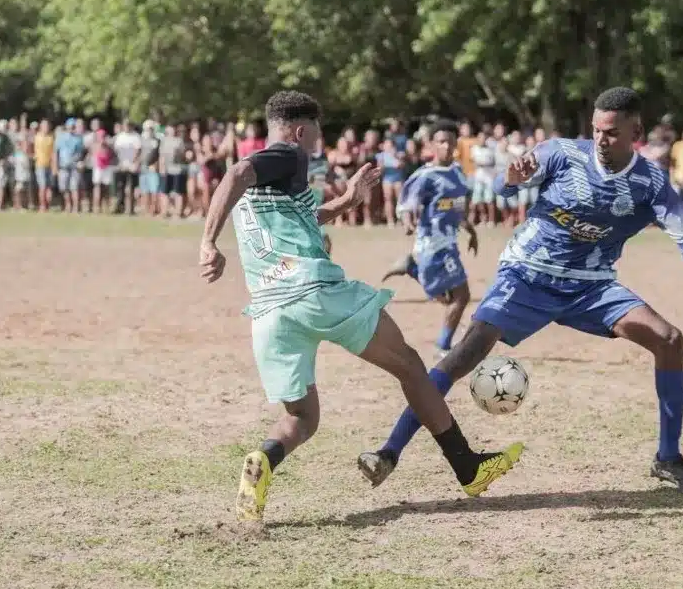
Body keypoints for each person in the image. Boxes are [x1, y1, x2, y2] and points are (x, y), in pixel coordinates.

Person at [357, 87, 683, 493]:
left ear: (636, 133)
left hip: (591, 287)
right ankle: (389, 451)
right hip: (526, 274)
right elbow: (510, 185)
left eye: (611, 132)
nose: (600, 139)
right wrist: (511, 178)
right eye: (596, 129)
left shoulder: (651, 181)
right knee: (461, 357)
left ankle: (668, 458)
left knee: (669, 339)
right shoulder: (562, 152)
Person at [198, 91, 523, 523]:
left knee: (302, 417)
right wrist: (207, 241)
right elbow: (238, 170)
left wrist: (348, 201)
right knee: (409, 365)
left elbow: (302, 218)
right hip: (314, 292)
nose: (317, 143)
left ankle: (263, 458)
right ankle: (468, 466)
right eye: (316, 133)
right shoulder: (288, 156)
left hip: (269, 310)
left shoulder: (271, 183)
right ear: (299, 131)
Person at [380, 120, 479, 359]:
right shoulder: (425, 176)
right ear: (432, 145)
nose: (446, 146)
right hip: (433, 244)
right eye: (441, 141)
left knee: (449, 299)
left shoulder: (457, 172)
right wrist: (407, 221)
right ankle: (442, 348)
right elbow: (405, 205)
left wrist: (471, 230)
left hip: (450, 242)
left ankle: (412, 268)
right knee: (460, 297)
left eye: (450, 142)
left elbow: (457, 208)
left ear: (456, 144)